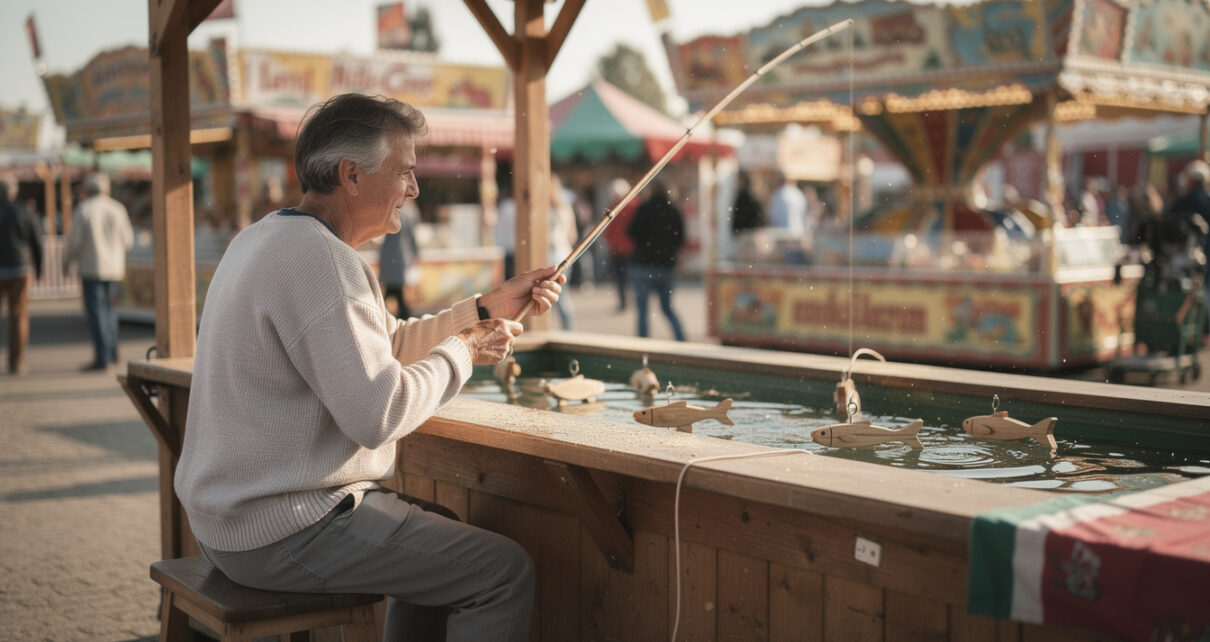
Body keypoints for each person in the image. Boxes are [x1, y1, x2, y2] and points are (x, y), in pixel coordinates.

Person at [173, 94, 564, 642]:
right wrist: (465, 353)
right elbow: (378, 413)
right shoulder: (323, 261)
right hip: (281, 531)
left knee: (442, 537)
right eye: (405, 171)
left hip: (228, 522)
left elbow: (385, 344)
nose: (415, 188)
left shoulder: (265, 237)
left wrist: (486, 308)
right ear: (351, 175)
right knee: (502, 573)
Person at [64, 172, 133, 372]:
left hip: (91, 268)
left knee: (96, 313)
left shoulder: (83, 210)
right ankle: (111, 352)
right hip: (114, 269)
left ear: (87, 190)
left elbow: (74, 243)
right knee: (110, 312)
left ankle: (103, 357)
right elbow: (128, 241)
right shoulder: (118, 209)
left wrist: (66, 263)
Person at [626, 181, 687, 341]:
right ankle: (681, 339)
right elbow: (680, 238)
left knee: (642, 310)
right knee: (667, 308)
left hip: (644, 264)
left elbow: (631, 232)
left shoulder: (644, 209)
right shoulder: (673, 211)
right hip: (667, 265)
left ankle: (643, 345)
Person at [0, 173, 43, 375]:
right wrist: (40, 267)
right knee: (18, 315)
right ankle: (16, 361)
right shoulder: (23, 210)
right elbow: (35, 241)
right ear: (13, 191)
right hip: (20, 268)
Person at [379, 200, 420, 318]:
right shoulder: (409, 213)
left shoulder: (391, 211)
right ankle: (402, 316)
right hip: (402, 257)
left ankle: (388, 315)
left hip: (390, 257)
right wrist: (415, 254)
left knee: (392, 290)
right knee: (397, 290)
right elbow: (412, 237)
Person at [602, 178, 638, 312]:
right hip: (630, 247)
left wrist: (609, 240)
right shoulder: (635, 205)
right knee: (631, 277)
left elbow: (608, 229)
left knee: (620, 278)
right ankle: (632, 300)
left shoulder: (614, 207)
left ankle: (623, 301)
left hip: (618, 247)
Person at [548, 174, 576, 329]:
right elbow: (573, 235)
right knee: (563, 295)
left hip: (549, 254)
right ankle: (567, 329)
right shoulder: (565, 206)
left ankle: (563, 329)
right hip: (564, 253)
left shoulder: (545, 208)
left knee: (549, 297)